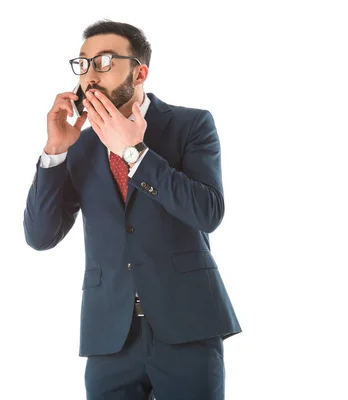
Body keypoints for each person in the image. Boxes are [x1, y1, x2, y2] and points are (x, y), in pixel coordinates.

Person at [23, 20, 241, 400]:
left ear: (140, 72)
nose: (91, 73)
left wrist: (135, 154)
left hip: (187, 324)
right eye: (84, 63)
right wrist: (55, 150)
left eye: (105, 61)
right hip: (110, 334)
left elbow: (208, 212)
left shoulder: (191, 124)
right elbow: (40, 236)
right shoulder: (81, 146)